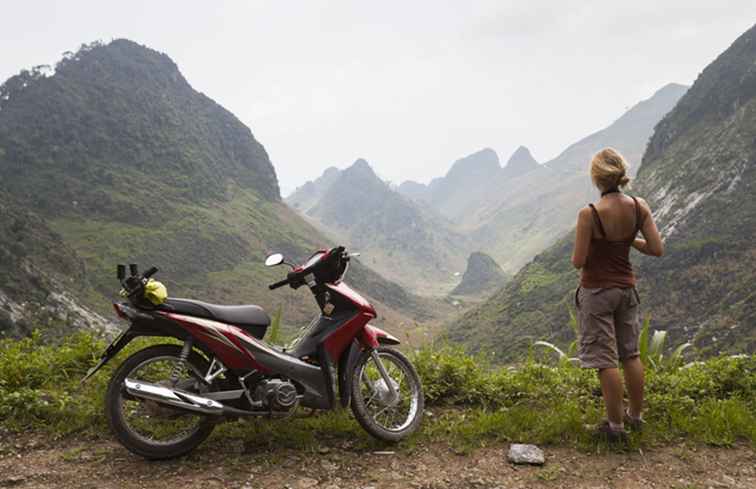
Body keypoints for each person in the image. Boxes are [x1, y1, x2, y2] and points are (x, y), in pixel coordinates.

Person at [570, 148, 664, 442]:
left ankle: (614, 427)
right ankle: (635, 417)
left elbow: (578, 260)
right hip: (627, 289)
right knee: (631, 354)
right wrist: (628, 239)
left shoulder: (590, 213)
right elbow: (656, 248)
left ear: (596, 178)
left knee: (606, 360)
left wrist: (601, 241)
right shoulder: (639, 206)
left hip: (597, 291)